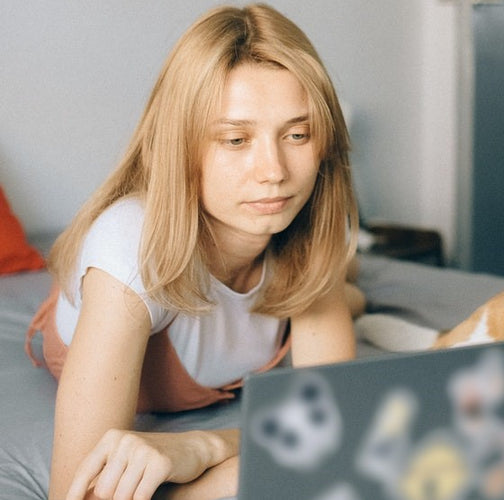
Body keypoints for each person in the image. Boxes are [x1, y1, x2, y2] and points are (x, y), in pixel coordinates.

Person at [24, 4, 362, 499]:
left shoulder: (308, 222)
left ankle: (353, 291)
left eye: (297, 134)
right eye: (235, 139)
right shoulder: (129, 255)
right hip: (129, 305)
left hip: (261, 291)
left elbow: (333, 426)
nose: (274, 171)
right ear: (181, 144)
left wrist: (206, 446)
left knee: (341, 286)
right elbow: (78, 492)